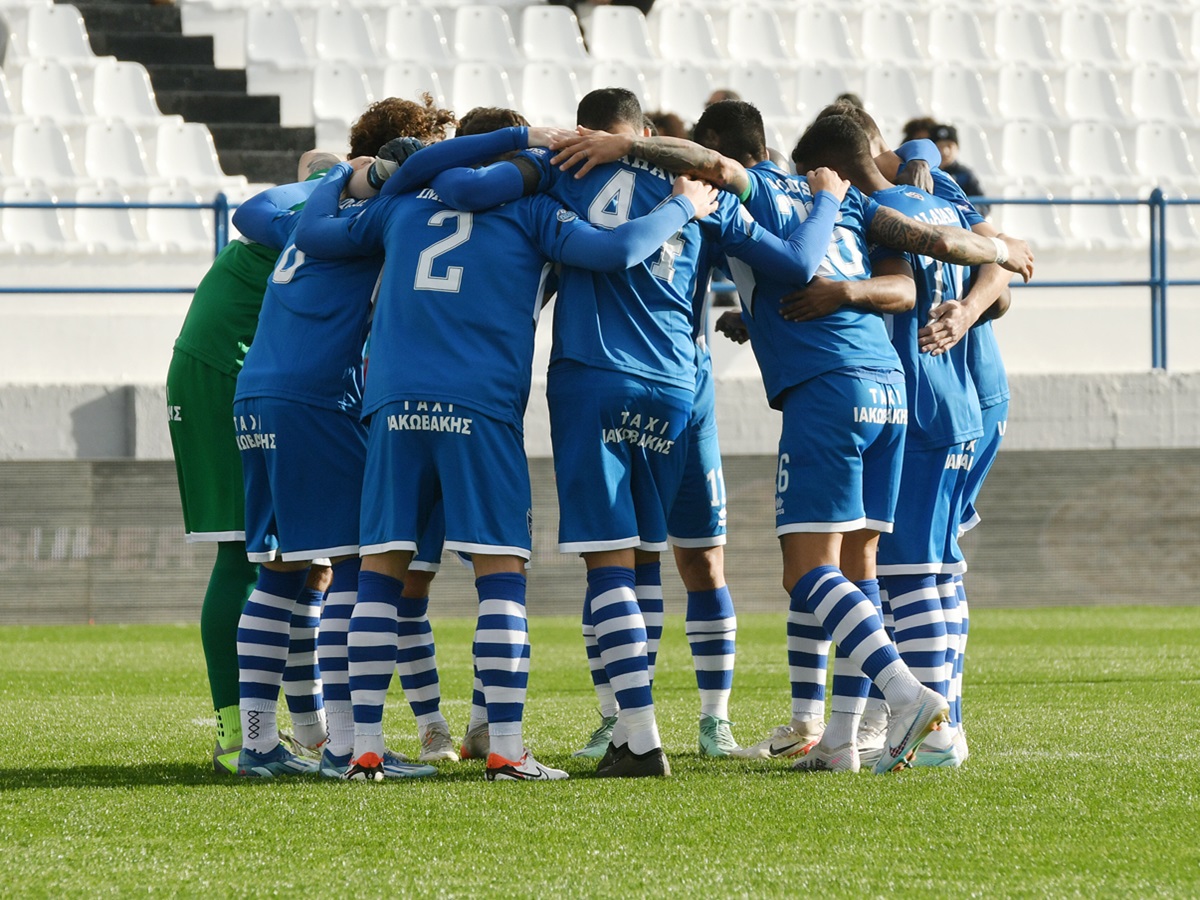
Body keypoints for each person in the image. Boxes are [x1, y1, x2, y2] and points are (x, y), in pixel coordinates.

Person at [549, 100, 1032, 772]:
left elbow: (751, 212)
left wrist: (622, 150)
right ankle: (839, 741)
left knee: (806, 571)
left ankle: (906, 696)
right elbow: (901, 280)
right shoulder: (860, 200)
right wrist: (999, 252)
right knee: (861, 566)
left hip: (827, 392)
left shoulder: (749, 196)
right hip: (890, 389)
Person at [432, 88, 859, 776]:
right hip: (673, 389)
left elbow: (460, 189)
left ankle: (637, 732)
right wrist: (832, 201)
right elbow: (797, 263)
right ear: (649, 131)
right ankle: (649, 725)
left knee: (611, 561)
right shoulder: (694, 188)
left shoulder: (564, 168)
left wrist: (522, 141)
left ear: (587, 131)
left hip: (593, 378)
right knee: (648, 557)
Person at [294, 120, 721, 781]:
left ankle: (367, 750)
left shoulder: (401, 206)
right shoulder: (533, 210)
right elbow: (617, 253)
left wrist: (333, 178)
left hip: (392, 403)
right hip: (480, 406)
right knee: (500, 579)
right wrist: (682, 207)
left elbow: (312, 233)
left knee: (380, 573)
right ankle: (507, 749)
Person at [789, 110, 985, 771]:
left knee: (904, 578)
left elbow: (896, 289)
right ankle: (891, 730)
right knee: (936, 571)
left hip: (917, 401)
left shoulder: (880, 212)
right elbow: (1000, 274)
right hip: (957, 399)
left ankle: (937, 735)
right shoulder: (936, 196)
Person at [166, 148, 342, 775]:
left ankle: (310, 730)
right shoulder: (332, 194)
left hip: (257, 375)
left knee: (305, 559)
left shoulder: (337, 200)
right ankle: (238, 735)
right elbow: (259, 208)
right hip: (223, 372)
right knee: (247, 549)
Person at [931, 123, 988, 215]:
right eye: (940, 146)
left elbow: (983, 206)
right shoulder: (926, 173)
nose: (945, 151)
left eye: (949, 146)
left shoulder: (966, 174)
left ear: (957, 148)